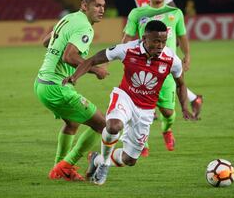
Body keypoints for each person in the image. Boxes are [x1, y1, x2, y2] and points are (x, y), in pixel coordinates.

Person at [63, 20, 197, 185]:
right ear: (144, 38)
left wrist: (184, 107)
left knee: (129, 159)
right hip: (125, 97)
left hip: (146, 110)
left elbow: (181, 84)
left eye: (163, 41)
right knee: (113, 126)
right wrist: (74, 77)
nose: (160, 45)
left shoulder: (171, 59)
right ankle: (104, 164)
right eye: (156, 41)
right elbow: (92, 60)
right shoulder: (127, 49)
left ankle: (96, 160)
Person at [34, 0, 108, 181]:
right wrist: (95, 69)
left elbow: (45, 42)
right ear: (84, 6)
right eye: (96, 5)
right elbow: (69, 56)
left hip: (42, 84)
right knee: (105, 126)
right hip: (56, 87)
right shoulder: (84, 26)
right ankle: (66, 165)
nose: (101, 10)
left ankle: (60, 167)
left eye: (103, 6)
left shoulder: (68, 18)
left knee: (72, 123)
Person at [123, 0, 202, 156]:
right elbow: (127, 37)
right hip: (143, 69)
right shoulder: (137, 13)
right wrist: (124, 56)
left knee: (167, 111)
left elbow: (182, 36)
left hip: (166, 69)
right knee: (142, 109)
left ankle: (167, 130)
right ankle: (142, 143)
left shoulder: (175, 13)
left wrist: (187, 55)